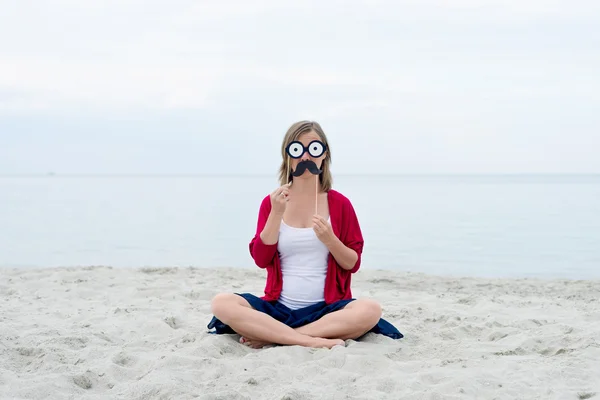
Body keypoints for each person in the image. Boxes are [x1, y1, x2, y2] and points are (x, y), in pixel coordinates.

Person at [207, 120, 403, 349]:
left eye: (314, 149)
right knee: (222, 303)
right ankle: (305, 340)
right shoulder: (273, 202)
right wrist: (276, 213)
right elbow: (261, 259)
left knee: (370, 309)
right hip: (278, 309)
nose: (306, 157)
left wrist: (330, 239)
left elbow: (352, 263)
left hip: (327, 312)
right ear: (288, 154)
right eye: (298, 149)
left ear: (324, 154)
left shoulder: (340, 204)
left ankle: (276, 337)